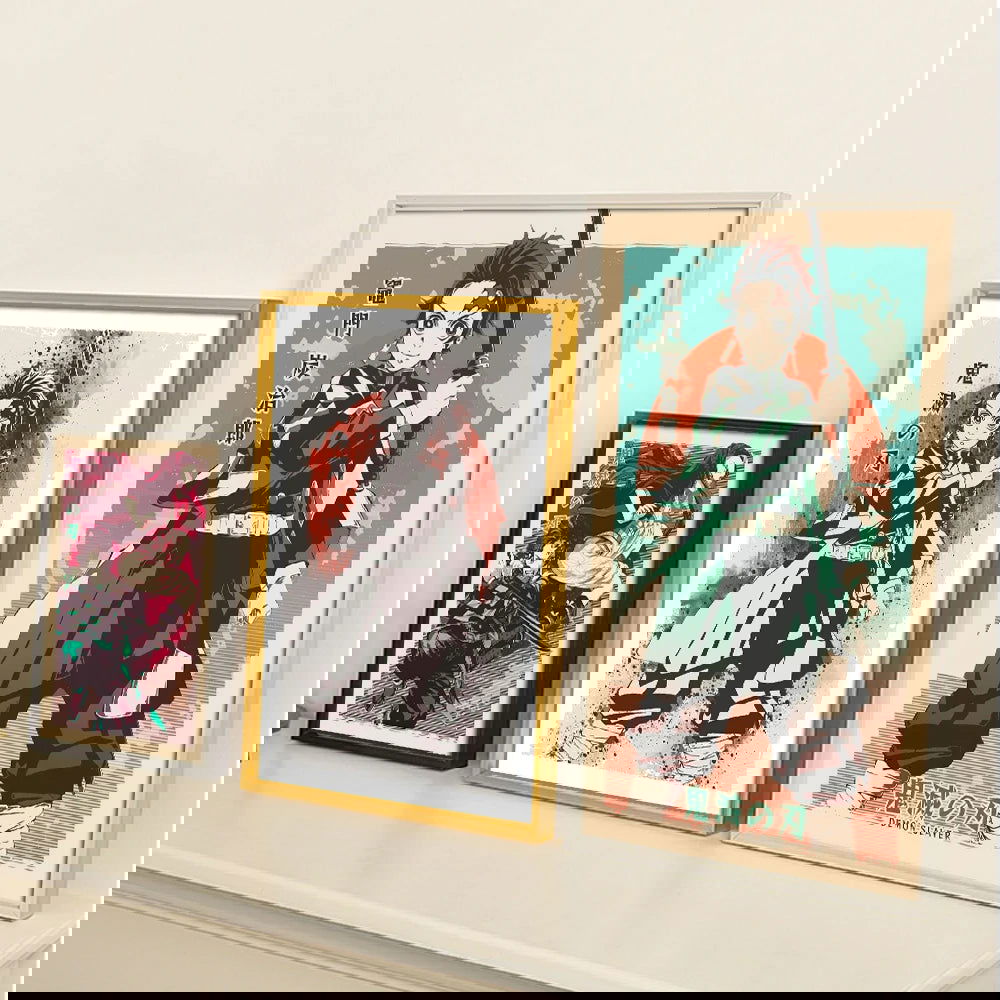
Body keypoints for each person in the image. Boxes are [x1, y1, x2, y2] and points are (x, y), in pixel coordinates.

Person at [0, 236, 563, 810]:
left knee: (137, 657)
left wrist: (282, 532)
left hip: (253, 555)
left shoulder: (429, 418)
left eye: (459, 326)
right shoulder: (352, 372)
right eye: (439, 315)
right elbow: (264, 445)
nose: (435, 331)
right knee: (78, 627)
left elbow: (351, 506)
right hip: (205, 525)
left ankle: (42, 777)